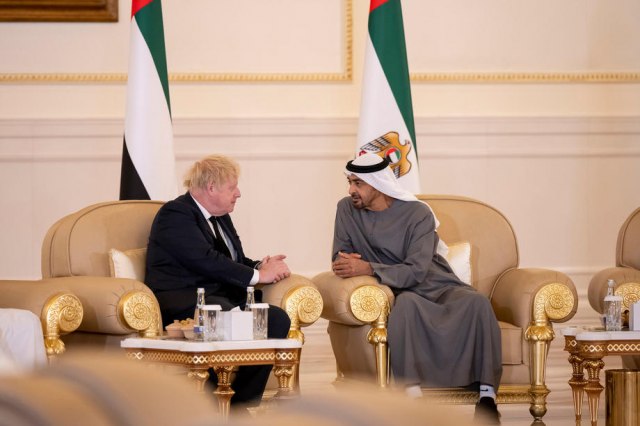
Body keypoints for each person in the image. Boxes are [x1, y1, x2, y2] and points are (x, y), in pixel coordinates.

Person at [331, 153, 502, 424]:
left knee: (477, 302)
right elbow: (340, 259)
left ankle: (487, 397)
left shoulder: (418, 213)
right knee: (407, 307)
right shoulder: (346, 210)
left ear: (378, 184)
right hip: (401, 291)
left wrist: (369, 267)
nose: (351, 190)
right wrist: (361, 268)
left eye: (358, 183)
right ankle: (411, 398)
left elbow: (418, 270)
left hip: (437, 284)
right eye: (350, 182)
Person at [145, 154, 292, 408]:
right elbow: (205, 260)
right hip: (185, 300)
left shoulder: (220, 215)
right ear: (211, 187)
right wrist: (259, 277)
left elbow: (231, 259)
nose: (238, 194)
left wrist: (260, 266)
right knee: (222, 315)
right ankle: (212, 403)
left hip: (220, 299)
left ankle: (241, 403)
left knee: (276, 319)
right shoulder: (176, 213)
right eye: (232, 187)